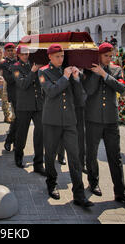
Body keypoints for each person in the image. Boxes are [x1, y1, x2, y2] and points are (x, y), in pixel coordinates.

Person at [38, 44, 93, 207]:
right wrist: (64, 77)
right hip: (52, 121)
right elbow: (51, 91)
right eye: (57, 56)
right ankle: (52, 183)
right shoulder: (43, 72)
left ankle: (79, 194)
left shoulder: (69, 71)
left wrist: (76, 78)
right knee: (50, 155)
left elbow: (80, 98)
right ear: (49, 57)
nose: (60, 59)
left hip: (69, 120)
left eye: (62, 56)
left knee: (75, 157)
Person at [83, 42, 125, 203]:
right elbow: (89, 91)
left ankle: (120, 191)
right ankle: (93, 183)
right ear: (98, 56)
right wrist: (96, 73)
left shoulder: (116, 70)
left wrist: (105, 75)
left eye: (110, 56)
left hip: (111, 120)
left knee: (115, 156)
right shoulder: (88, 70)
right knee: (91, 154)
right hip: (93, 119)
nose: (109, 58)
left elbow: (122, 88)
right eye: (106, 56)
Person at [12, 45, 45, 176]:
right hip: (24, 105)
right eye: (23, 54)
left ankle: (38, 163)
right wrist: (32, 71)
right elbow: (23, 84)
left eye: (27, 53)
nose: (26, 56)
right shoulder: (15, 67)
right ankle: (18, 155)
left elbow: (41, 81)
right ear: (18, 55)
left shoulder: (35, 64)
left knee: (40, 132)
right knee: (22, 133)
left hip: (38, 105)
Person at [0, 43, 17, 151]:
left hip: (24, 94)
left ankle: (14, 141)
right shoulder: (4, 64)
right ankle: (10, 140)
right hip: (14, 94)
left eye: (12, 50)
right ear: (5, 52)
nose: (11, 52)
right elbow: (9, 79)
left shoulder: (19, 61)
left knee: (20, 120)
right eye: (9, 50)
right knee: (17, 118)